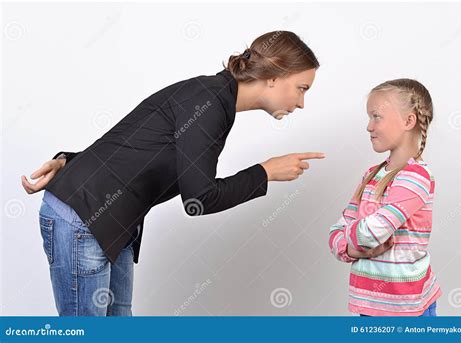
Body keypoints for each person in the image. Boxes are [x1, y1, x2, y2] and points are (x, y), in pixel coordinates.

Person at [22, 31, 325, 316]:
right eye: (302, 88)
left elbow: (135, 144)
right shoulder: (209, 101)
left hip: (112, 223)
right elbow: (200, 198)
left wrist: (68, 161)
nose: (301, 102)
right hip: (83, 218)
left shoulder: (213, 98)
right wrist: (265, 172)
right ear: (274, 76)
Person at [328, 78, 441, 316]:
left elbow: (373, 232)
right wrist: (354, 248)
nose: (369, 126)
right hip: (370, 305)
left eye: (376, 116)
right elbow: (336, 232)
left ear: (409, 121)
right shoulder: (371, 175)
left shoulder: (416, 176)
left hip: (407, 309)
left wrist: (351, 242)